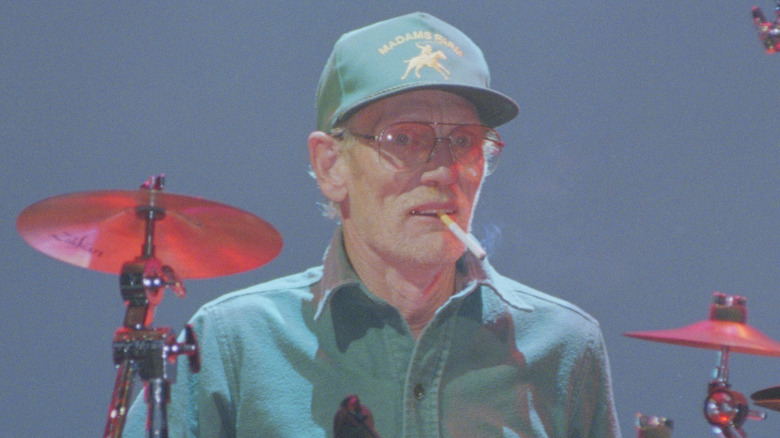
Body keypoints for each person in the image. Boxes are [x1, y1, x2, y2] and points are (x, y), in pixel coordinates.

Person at [123, 12, 621, 437]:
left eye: (465, 142)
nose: (444, 170)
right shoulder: (231, 344)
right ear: (330, 165)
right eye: (403, 140)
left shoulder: (564, 345)